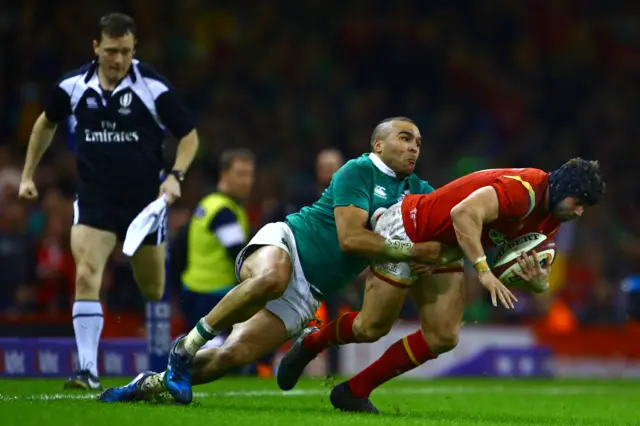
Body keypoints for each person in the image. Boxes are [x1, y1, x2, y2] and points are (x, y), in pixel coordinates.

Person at [98, 116, 458, 404]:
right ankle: (186, 346)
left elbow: (443, 222)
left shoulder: (417, 191)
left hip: (308, 293)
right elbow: (350, 240)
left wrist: (441, 254)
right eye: (405, 138)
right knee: (273, 278)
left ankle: (152, 383)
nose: (414, 147)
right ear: (379, 144)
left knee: (233, 355)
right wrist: (413, 251)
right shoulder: (358, 170)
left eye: (418, 143)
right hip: (287, 243)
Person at [277, 158, 605, 413]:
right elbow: (464, 214)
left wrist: (538, 283)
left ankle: (354, 391)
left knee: (443, 336)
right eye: (579, 202)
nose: (579, 211)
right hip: (409, 228)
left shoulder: (549, 220)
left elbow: (540, 277)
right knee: (370, 327)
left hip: (447, 248)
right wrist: (483, 270)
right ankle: (312, 342)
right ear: (563, 188)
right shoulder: (523, 190)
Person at [18, 13, 199, 390]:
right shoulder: (71, 86)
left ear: (135, 51)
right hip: (95, 197)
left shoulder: (152, 86)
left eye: (126, 52)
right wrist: (27, 175)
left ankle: (167, 360)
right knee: (86, 274)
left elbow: (189, 135)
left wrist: (175, 176)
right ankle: (87, 370)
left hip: (145, 204)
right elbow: (45, 123)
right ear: (96, 48)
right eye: (112, 51)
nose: (119, 59)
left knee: (151, 288)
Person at [176, 149, 255, 329]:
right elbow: (238, 254)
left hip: (197, 291)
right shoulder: (222, 211)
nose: (247, 181)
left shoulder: (214, 203)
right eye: (240, 174)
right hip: (210, 297)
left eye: (250, 175)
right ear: (224, 174)